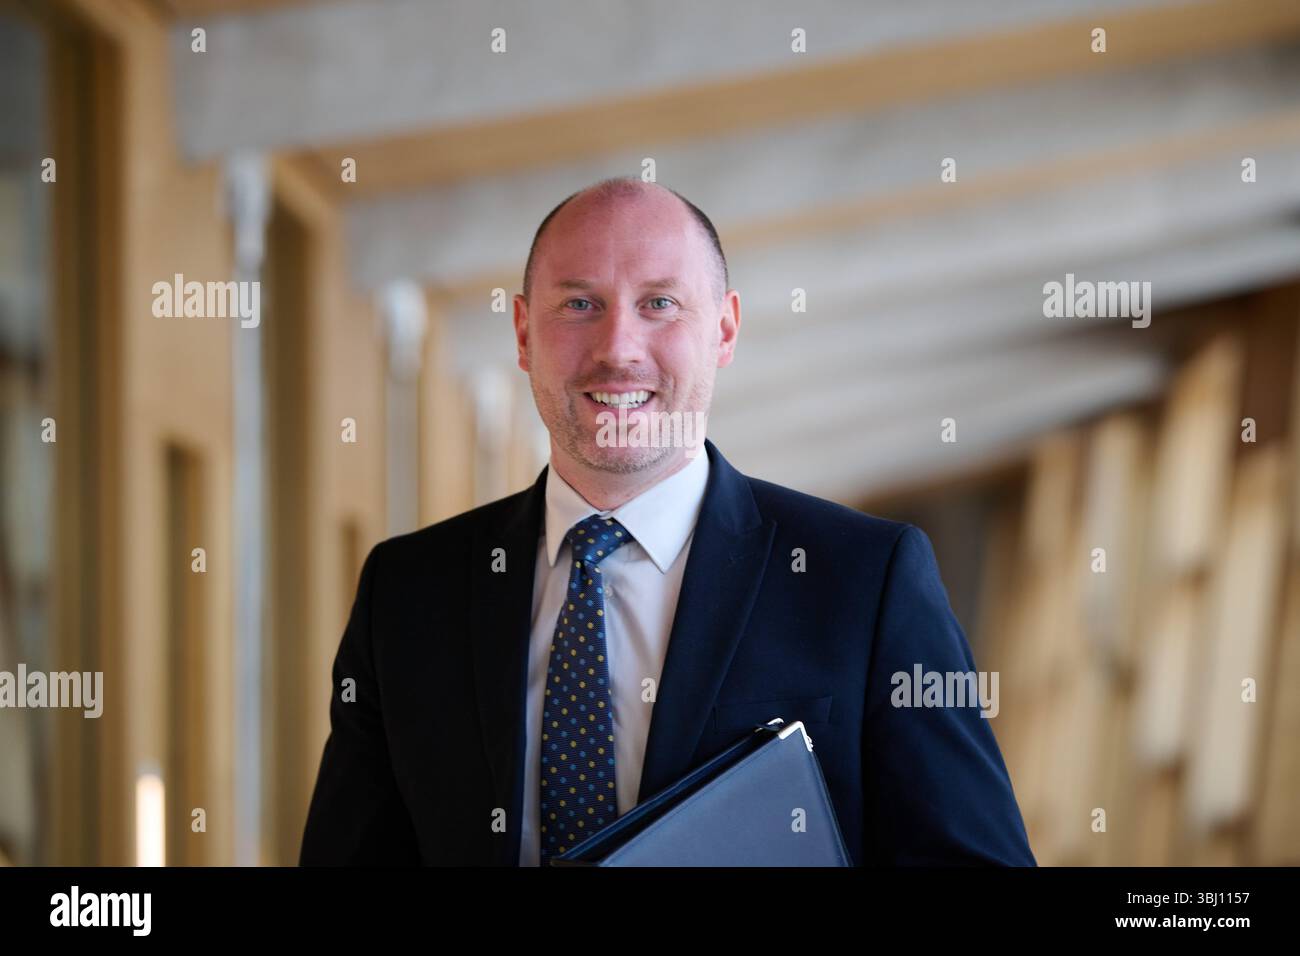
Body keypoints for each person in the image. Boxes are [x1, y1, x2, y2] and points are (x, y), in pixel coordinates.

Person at [300, 176, 1035, 866]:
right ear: (523, 334)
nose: (619, 349)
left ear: (723, 330)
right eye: (580, 304)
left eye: (659, 304)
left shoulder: (864, 582)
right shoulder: (407, 593)